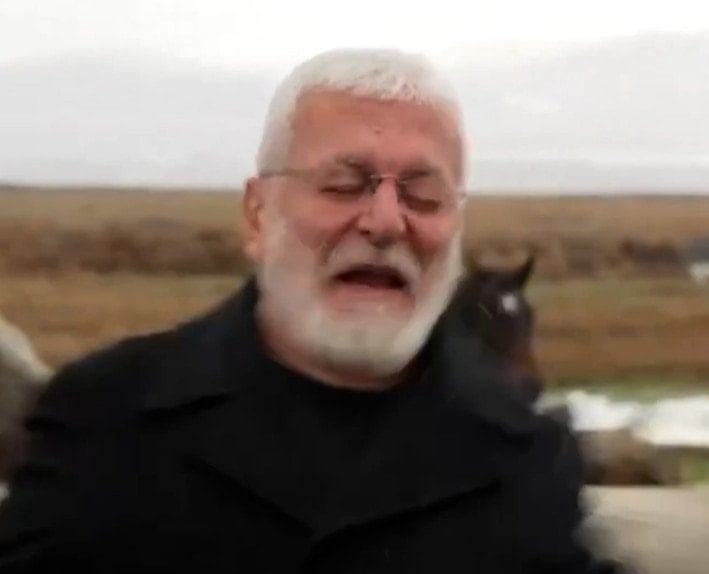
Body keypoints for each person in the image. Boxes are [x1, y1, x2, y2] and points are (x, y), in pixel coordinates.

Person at [0, 48, 622, 573]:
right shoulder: (104, 419)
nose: (385, 221)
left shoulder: (528, 462)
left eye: (424, 196)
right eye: (343, 185)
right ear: (257, 216)